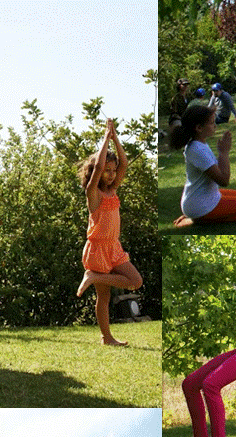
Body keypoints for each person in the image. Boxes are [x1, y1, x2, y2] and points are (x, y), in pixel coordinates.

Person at [75, 120, 143, 347]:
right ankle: (107, 338)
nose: (112, 175)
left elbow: (124, 162)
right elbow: (99, 166)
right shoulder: (93, 194)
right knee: (103, 297)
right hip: (97, 248)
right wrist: (105, 138)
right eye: (107, 171)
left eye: (114, 172)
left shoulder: (113, 191)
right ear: (96, 172)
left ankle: (93, 277)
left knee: (135, 281)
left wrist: (115, 138)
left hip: (114, 246)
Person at [170, 105, 236, 226]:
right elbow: (223, 180)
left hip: (206, 198)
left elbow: (216, 171)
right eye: (212, 122)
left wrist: (222, 152)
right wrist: (224, 153)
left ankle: (197, 216)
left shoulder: (199, 144)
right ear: (199, 128)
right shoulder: (197, 149)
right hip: (202, 205)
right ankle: (197, 219)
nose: (215, 125)